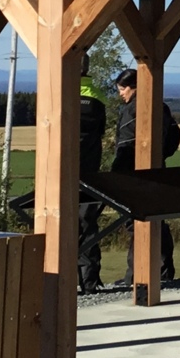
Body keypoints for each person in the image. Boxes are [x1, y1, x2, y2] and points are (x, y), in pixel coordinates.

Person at [113, 68, 180, 284]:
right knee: (156, 220)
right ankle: (163, 270)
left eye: (122, 89)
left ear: (132, 87)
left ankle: (136, 274)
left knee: (137, 222)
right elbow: (173, 137)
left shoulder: (132, 110)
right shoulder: (161, 107)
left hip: (133, 174)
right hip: (158, 169)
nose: (120, 94)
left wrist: (117, 174)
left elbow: (124, 145)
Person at [75, 55, 110, 292]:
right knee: (88, 225)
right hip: (90, 172)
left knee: (60, 226)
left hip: (61, 174)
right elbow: (102, 131)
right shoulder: (98, 97)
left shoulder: (58, 92)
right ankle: (90, 280)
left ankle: (63, 278)